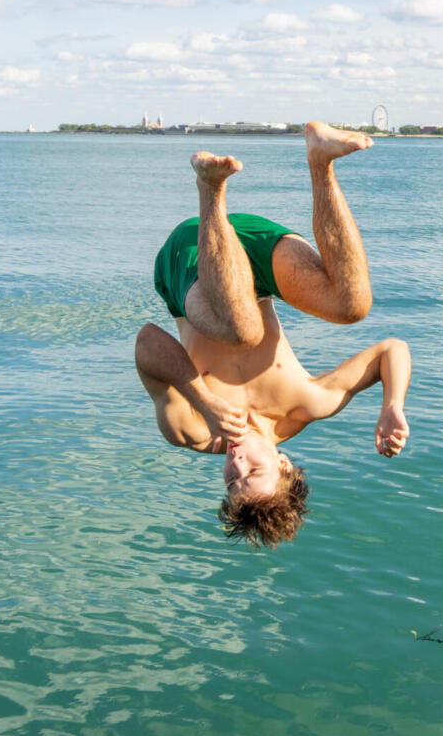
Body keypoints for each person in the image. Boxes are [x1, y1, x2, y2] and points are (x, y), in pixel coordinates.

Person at [134, 122, 412, 547]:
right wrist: (392, 405)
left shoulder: (190, 430)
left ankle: (210, 188)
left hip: (188, 261)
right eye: (254, 472)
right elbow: (391, 350)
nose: (236, 466)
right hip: (247, 259)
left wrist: (203, 401)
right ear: (283, 464)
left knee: (242, 331)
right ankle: (320, 159)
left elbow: (148, 340)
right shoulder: (307, 405)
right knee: (352, 305)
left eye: (231, 482)